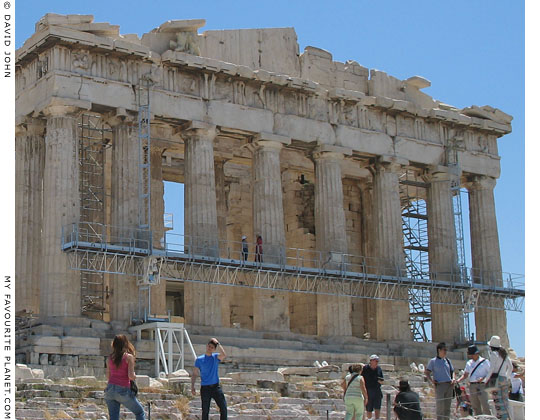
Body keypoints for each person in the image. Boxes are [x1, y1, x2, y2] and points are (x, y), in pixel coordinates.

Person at [104, 334, 145, 420]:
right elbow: (130, 376)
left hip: (110, 389)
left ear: (113, 344)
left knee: (113, 417)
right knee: (140, 412)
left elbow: (108, 376)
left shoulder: (109, 358)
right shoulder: (128, 357)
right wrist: (134, 376)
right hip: (123, 390)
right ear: (125, 344)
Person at [191, 338, 228, 420]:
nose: (210, 348)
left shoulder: (215, 357)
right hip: (205, 388)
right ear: (207, 346)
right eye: (209, 346)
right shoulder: (199, 359)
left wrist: (218, 343)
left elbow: (224, 355)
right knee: (205, 411)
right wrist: (192, 386)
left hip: (216, 387)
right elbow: (195, 373)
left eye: (212, 347)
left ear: (214, 349)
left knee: (223, 408)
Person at [456, 345, 492, 415]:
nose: (471, 356)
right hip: (472, 385)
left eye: (472, 354)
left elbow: (490, 373)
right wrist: (458, 380)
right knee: (475, 406)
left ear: (477, 353)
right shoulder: (469, 363)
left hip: (481, 385)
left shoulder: (485, 362)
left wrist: (483, 378)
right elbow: (465, 374)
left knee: (485, 405)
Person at [425, 342, 455, 420]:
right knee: (440, 407)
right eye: (444, 350)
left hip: (449, 385)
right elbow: (427, 372)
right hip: (440, 385)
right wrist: (432, 381)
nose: (446, 351)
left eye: (446, 350)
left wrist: (453, 378)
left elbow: (453, 371)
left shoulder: (448, 361)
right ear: (439, 350)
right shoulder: (433, 361)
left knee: (447, 407)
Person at [485, 335, 512, 420]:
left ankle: (502, 418)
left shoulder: (494, 354)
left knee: (498, 401)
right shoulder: (504, 354)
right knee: (505, 401)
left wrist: (486, 380)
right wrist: (506, 377)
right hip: (504, 378)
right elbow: (510, 367)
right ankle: (509, 417)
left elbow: (492, 368)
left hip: (496, 379)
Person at [361, 354, 384, 420]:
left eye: (377, 361)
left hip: (377, 390)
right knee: (369, 407)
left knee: (377, 407)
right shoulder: (365, 368)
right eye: (376, 361)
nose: (377, 362)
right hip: (368, 390)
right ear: (371, 361)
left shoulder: (379, 368)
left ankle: (377, 418)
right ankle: (369, 419)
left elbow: (382, 379)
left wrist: (381, 381)